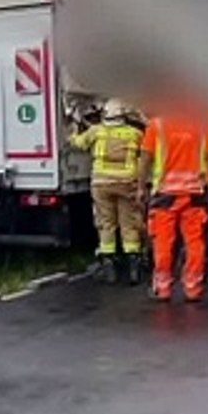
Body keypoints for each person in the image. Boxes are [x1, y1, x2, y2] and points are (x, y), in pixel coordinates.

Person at [139, 114, 208, 303]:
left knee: (163, 242)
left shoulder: (157, 125)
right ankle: (193, 288)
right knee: (194, 242)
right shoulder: (201, 125)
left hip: (165, 194)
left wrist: (141, 186)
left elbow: (146, 158)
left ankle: (163, 288)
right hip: (194, 193)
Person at [69, 99, 146, 285]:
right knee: (129, 224)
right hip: (127, 183)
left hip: (102, 184)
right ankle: (134, 269)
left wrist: (72, 130)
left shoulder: (97, 131)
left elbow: (79, 143)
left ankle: (109, 269)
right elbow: (145, 149)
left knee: (106, 223)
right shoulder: (134, 134)